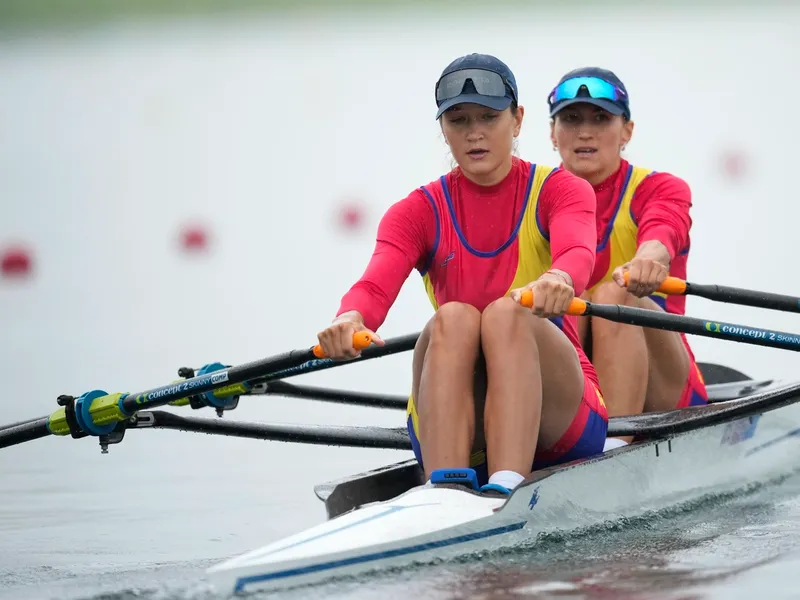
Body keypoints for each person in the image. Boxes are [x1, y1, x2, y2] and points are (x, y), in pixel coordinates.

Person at [316, 53, 608, 496]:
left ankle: (506, 484)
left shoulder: (562, 190)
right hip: (460, 429)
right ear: (443, 130)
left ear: (518, 120)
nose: (474, 133)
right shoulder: (415, 212)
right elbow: (373, 286)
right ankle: (444, 492)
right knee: (451, 317)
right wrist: (350, 319)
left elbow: (576, 253)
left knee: (506, 314)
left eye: (489, 117)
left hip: (560, 418)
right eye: (458, 120)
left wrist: (561, 280)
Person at [547, 67, 708, 448]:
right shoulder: (535, 197)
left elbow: (663, 231)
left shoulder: (659, 188)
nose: (585, 132)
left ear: (626, 131)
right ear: (552, 134)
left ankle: (613, 448)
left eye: (601, 118)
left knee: (611, 295)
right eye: (571, 119)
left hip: (665, 386)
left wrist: (651, 259)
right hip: (571, 381)